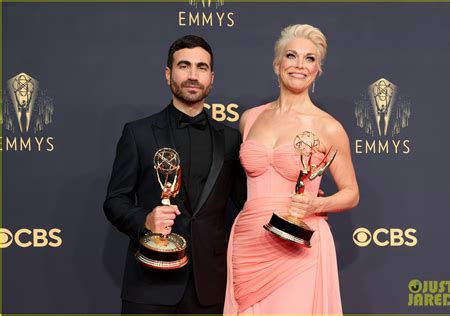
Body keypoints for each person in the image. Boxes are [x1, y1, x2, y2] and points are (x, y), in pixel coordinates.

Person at [104, 35, 246, 314]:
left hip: (210, 287)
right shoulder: (138, 133)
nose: (193, 75)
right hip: (149, 282)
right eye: (184, 66)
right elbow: (115, 201)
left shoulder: (230, 140)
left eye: (202, 68)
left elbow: (249, 202)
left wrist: (299, 194)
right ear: (168, 74)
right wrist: (145, 219)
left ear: (212, 78)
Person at [224, 24, 359, 314]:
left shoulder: (328, 126)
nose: (300, 65)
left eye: (310, 59)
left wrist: (317, 203)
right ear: (277, 64)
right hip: (249, 241)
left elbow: (351, 193)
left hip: (297, 243)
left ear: (318, 70)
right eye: (291, 56)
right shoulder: (250, 119)